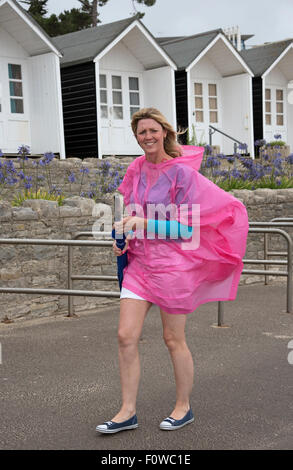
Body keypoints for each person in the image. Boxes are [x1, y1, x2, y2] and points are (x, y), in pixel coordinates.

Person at [96, 108, 249, 434]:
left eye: (152, 131)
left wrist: (145, 223)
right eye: (141, 132)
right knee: (125, 336)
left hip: (173, 268)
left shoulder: (182, 173)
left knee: (172, 338)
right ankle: (127, 412)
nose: (147, 137)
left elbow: (187, 229)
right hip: (139, 266)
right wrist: (120, 236)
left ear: (164, 133)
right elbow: (128, 212)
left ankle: (183, 407)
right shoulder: (135, 169)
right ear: (136, 137)